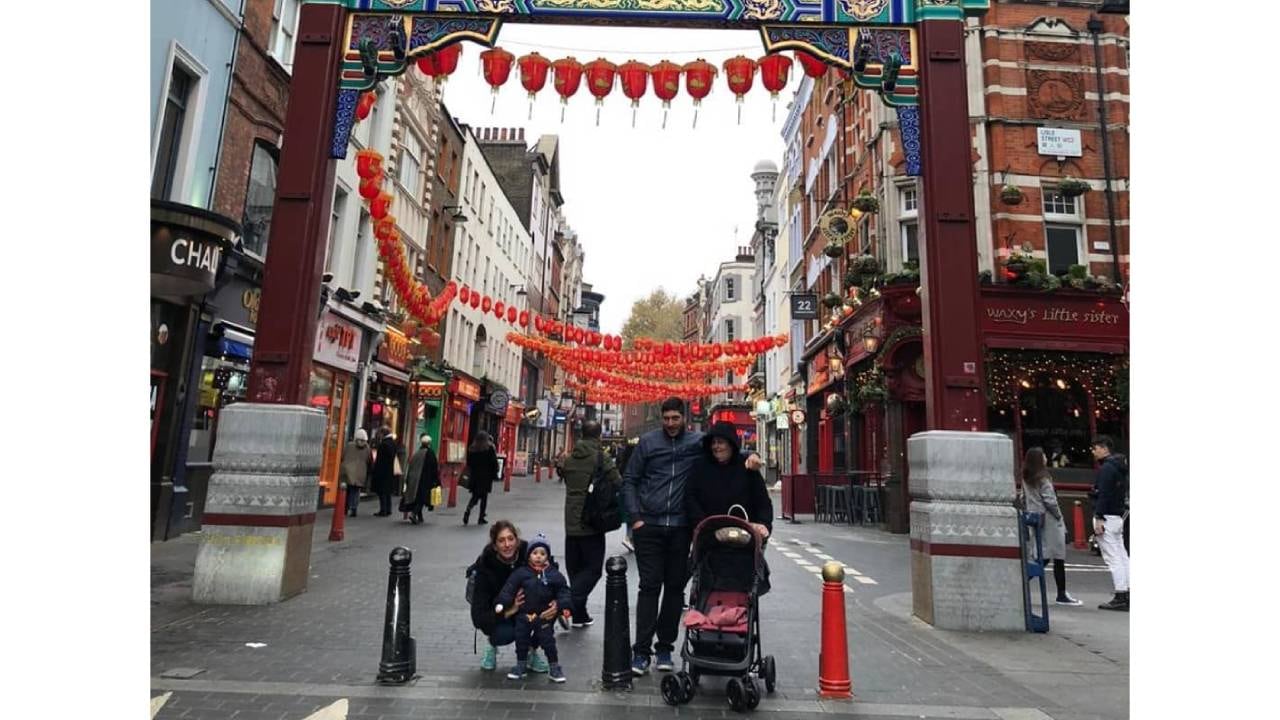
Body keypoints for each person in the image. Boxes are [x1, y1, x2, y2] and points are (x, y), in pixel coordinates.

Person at [622, 397, 761, 676]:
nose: (671, 423)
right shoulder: (648, 443)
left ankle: (664, 648)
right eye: (667, 418)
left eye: (676, 418)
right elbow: (630, 480)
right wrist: (635, 519)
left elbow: (723, 450)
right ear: (661, 418)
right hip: (649, 525)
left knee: (675, 588)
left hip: (681, 528)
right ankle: (640, 651)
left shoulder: (697, 442)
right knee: (649, 586)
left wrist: (749, 457)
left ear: (684, 417)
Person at [685, 421, 774, 594]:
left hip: (742, 535)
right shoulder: (700, 466)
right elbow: (690, 497)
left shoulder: (746, 466)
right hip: (710, 533)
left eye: (721, 442)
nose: (716, 447)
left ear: (731, 443)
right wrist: (701, 523)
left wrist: (764, 525)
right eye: (714, 442)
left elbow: (762, 501)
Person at [466, 521, 555, 675]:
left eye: (511, 539)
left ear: (517, 540)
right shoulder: (485, 568)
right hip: (503, 614)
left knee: (550, 615)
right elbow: (478, 618)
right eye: (501, 540)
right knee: (505, 634)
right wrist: (510, 610)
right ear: (495, 546)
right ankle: (492, 645)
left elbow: (553, 574)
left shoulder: (532, 553)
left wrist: (555, 602)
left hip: (531, 608)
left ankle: (531, 651)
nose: (507, 545)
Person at [559, 420, 623, 628]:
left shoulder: (569, 458)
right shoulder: (600, 457)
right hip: (592, 520)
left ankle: (579, 614)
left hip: (571, 520)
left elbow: (566, 478)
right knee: (593, 570)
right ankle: (567, 601)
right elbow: (617, 481)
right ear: (598, 436)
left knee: (576, 569)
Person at [493, 534, 572, 683]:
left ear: (547, 556)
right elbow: (509, 588)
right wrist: (502, 603)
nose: (538, 557)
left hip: (543, 616)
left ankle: (554, 667)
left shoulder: (553, 574)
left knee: (548, 642)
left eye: (542, 554)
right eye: (535, 553)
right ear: (529, 555)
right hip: (524, 615)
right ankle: (521, 665)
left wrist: (564, 606)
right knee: (521, 641)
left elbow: (563, 590)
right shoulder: (521, 573)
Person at [1021, 447, 1081, 606]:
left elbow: (1022, 498)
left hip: (1034, 518)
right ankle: (1060, 593)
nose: (1046, 458)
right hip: (1049, 520)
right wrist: (1059, 516)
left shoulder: (1027, 478)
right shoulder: (1044, 478)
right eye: (1043, 456)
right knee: (1056, 555)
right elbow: (1050, 501)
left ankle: (1022, 584)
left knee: (1044, 554)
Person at [1090, 436, 1129, 611]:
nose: (1094, 451)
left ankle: (1120, 594)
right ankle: (1128, 591)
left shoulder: (1106, 469)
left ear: (1105, 448)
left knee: (1113, 558)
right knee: (1121, 555)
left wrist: (1098, 516)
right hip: (1118, 516)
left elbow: (1103, 494)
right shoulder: (1120, 468)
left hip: (1106, 516)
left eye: (1096, 448)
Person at [402, 434, 441, 525]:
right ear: (429, 443)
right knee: (422, 498)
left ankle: (420, 517)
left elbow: (411, 466)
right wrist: (436, 480)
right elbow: (434, 468)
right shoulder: (430, 453)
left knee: (418, 497)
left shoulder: (417, 453)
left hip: (414, 479)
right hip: (424, 480)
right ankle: (414, 513)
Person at [463, 431, 499, 526]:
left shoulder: (472, 449)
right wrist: (495, 473)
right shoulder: (489, 448)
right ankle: (481, 517)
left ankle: (469, 508)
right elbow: (494, 462)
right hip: (486, 476)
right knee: (484, 497)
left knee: (475, 495)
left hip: (475, 476)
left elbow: (469, 463)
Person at [338, 429, 373, 517]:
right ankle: (354, 508)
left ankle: (344, 508)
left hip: (348, 470)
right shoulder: (367, 448)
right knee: (356, 491)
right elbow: (370, 460)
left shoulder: (349, 445)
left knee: (347, 490)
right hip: (360, 472)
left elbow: (343, 456)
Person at [371, 428, 401, 517]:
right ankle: (388, 509)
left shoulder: (384, 444)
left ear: (383, 434)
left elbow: (381, 459)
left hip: (383, 471)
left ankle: (383, 510)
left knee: (382, 492)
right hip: (389, 472)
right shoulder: (392, 443)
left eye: (379, 434)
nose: (378, 435)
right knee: (387, 492)